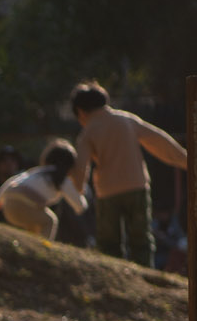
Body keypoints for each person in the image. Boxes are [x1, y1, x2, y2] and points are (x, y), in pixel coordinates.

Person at [67, 80, 187, 267]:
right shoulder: (126, 120)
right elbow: (159, 141)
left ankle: (114, 274)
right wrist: (186, 160)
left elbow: (82, 167)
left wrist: (78, 187)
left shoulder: (87, 133)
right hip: (137, 186)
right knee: (141, 240)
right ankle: (145, 274)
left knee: (109, 244)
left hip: (107, 193)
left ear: (81, 112)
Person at [0, 140, 85, 240]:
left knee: (34, 227)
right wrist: (81, 187)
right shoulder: (63, 180)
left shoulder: (39, 171)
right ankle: (44, 247)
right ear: (70, 166)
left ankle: (30, 246)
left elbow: (14, 181)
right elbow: (80, 206)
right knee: (50, 221)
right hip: (24, 206)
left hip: (8, 207)